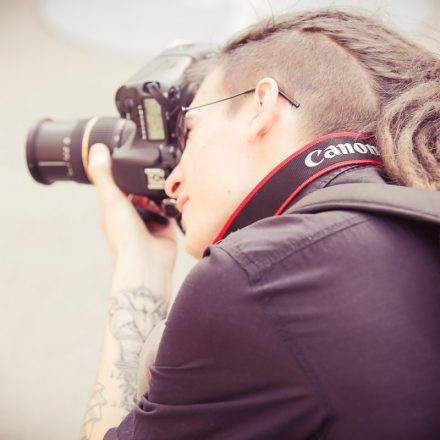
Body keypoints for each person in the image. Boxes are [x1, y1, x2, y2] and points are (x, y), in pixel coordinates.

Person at [80, 8, 440, 440]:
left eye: (188, 133)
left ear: (261, 107)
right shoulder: (414, 216)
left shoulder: (258, 273)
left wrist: (138, 269)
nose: (172, 179)